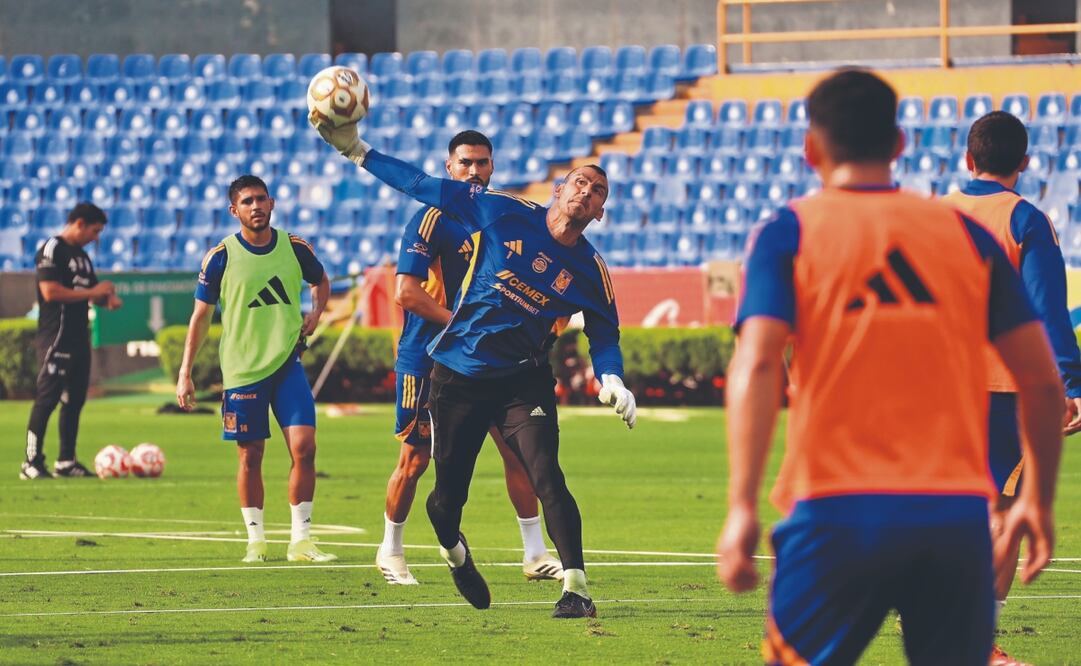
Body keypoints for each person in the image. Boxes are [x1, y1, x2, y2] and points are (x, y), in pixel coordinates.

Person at [715, 69, 1064, 664]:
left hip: (833, 508)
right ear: (900, 144)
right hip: (953, 517)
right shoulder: (963, 237)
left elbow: (757, 364)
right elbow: (1040, 378)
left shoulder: (788, 232)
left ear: (810, 149)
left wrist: (742, 503)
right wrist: (1039, 499)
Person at [311, 112, 637, 619]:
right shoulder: (502, 210)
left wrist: (611, 375)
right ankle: (454, 552)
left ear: (599, 212)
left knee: (546, 473)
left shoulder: (591, 270)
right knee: (445, 500)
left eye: (597, 192)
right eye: (579, 182)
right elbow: (420, 185)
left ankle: (577, 588)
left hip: (523, 380)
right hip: (458, 374)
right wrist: (357, 150)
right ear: (557, 189)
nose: (586, 192)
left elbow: (604, 330)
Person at [378, 129, 562, 585]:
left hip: (485, 360)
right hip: (425, 356)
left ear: (493, 166)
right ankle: (391, 549)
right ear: (449, 169)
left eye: (482, 162)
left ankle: (535, 554)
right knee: (415, 458)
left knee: (515, 452)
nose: (474, 171)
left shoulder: (502, 218)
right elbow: (406, 292)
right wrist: (458, 322)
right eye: (465, 163)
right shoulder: (432, 220)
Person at [942, 110, 1081, 665]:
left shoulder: (931, 216)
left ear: (968, 160)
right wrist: (1070, 383)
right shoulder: (1027, 222)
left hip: (932, 385)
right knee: (1004, 512)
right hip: (1000, 389)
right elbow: (1047, 314)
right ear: (1024, 163)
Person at [175, 175, 335, 565]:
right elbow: (200, 318)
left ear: (273, 203)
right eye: (247, 201)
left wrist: (316, 313)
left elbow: (321, 280)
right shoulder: (220, 257)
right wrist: (185, 371)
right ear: (235, 210)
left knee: (305, 448)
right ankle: (256, 540)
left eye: (261, 199)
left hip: (287, 366)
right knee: (251, 457)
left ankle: (301, 541)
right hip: (243, 370)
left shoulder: (294, 248)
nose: (256, 206)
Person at [22, 202, 122, 479]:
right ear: (79, 223)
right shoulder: (52, 249)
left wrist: (106, 298)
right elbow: (51, 292)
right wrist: (94, 291)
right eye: (95, 230)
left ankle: (66, 461)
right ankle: (31, 462)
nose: (97, 237)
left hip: (79, 337)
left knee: (75, 401)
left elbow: (88, 292)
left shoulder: (82, 256)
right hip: (56, 336)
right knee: (47, 398)